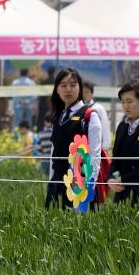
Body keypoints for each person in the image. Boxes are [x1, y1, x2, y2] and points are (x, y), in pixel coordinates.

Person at [44, 67, 104, 209]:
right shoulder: (58, 116)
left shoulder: (90, 116)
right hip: (57, 183)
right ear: (57, 90)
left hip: (79, 186)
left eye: (73, 85)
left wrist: (89, 188)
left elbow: (95, 155)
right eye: (63, 85)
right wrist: (51, 181)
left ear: (80, 88)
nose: (68, 89)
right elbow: (54, 152)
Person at [108, 78, 139, 204]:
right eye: (123, 102)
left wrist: (124, 179)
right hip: (122, 196)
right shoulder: (122, 127)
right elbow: (115, 160)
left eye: (130, 101)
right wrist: (110, 178)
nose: (126, 106)